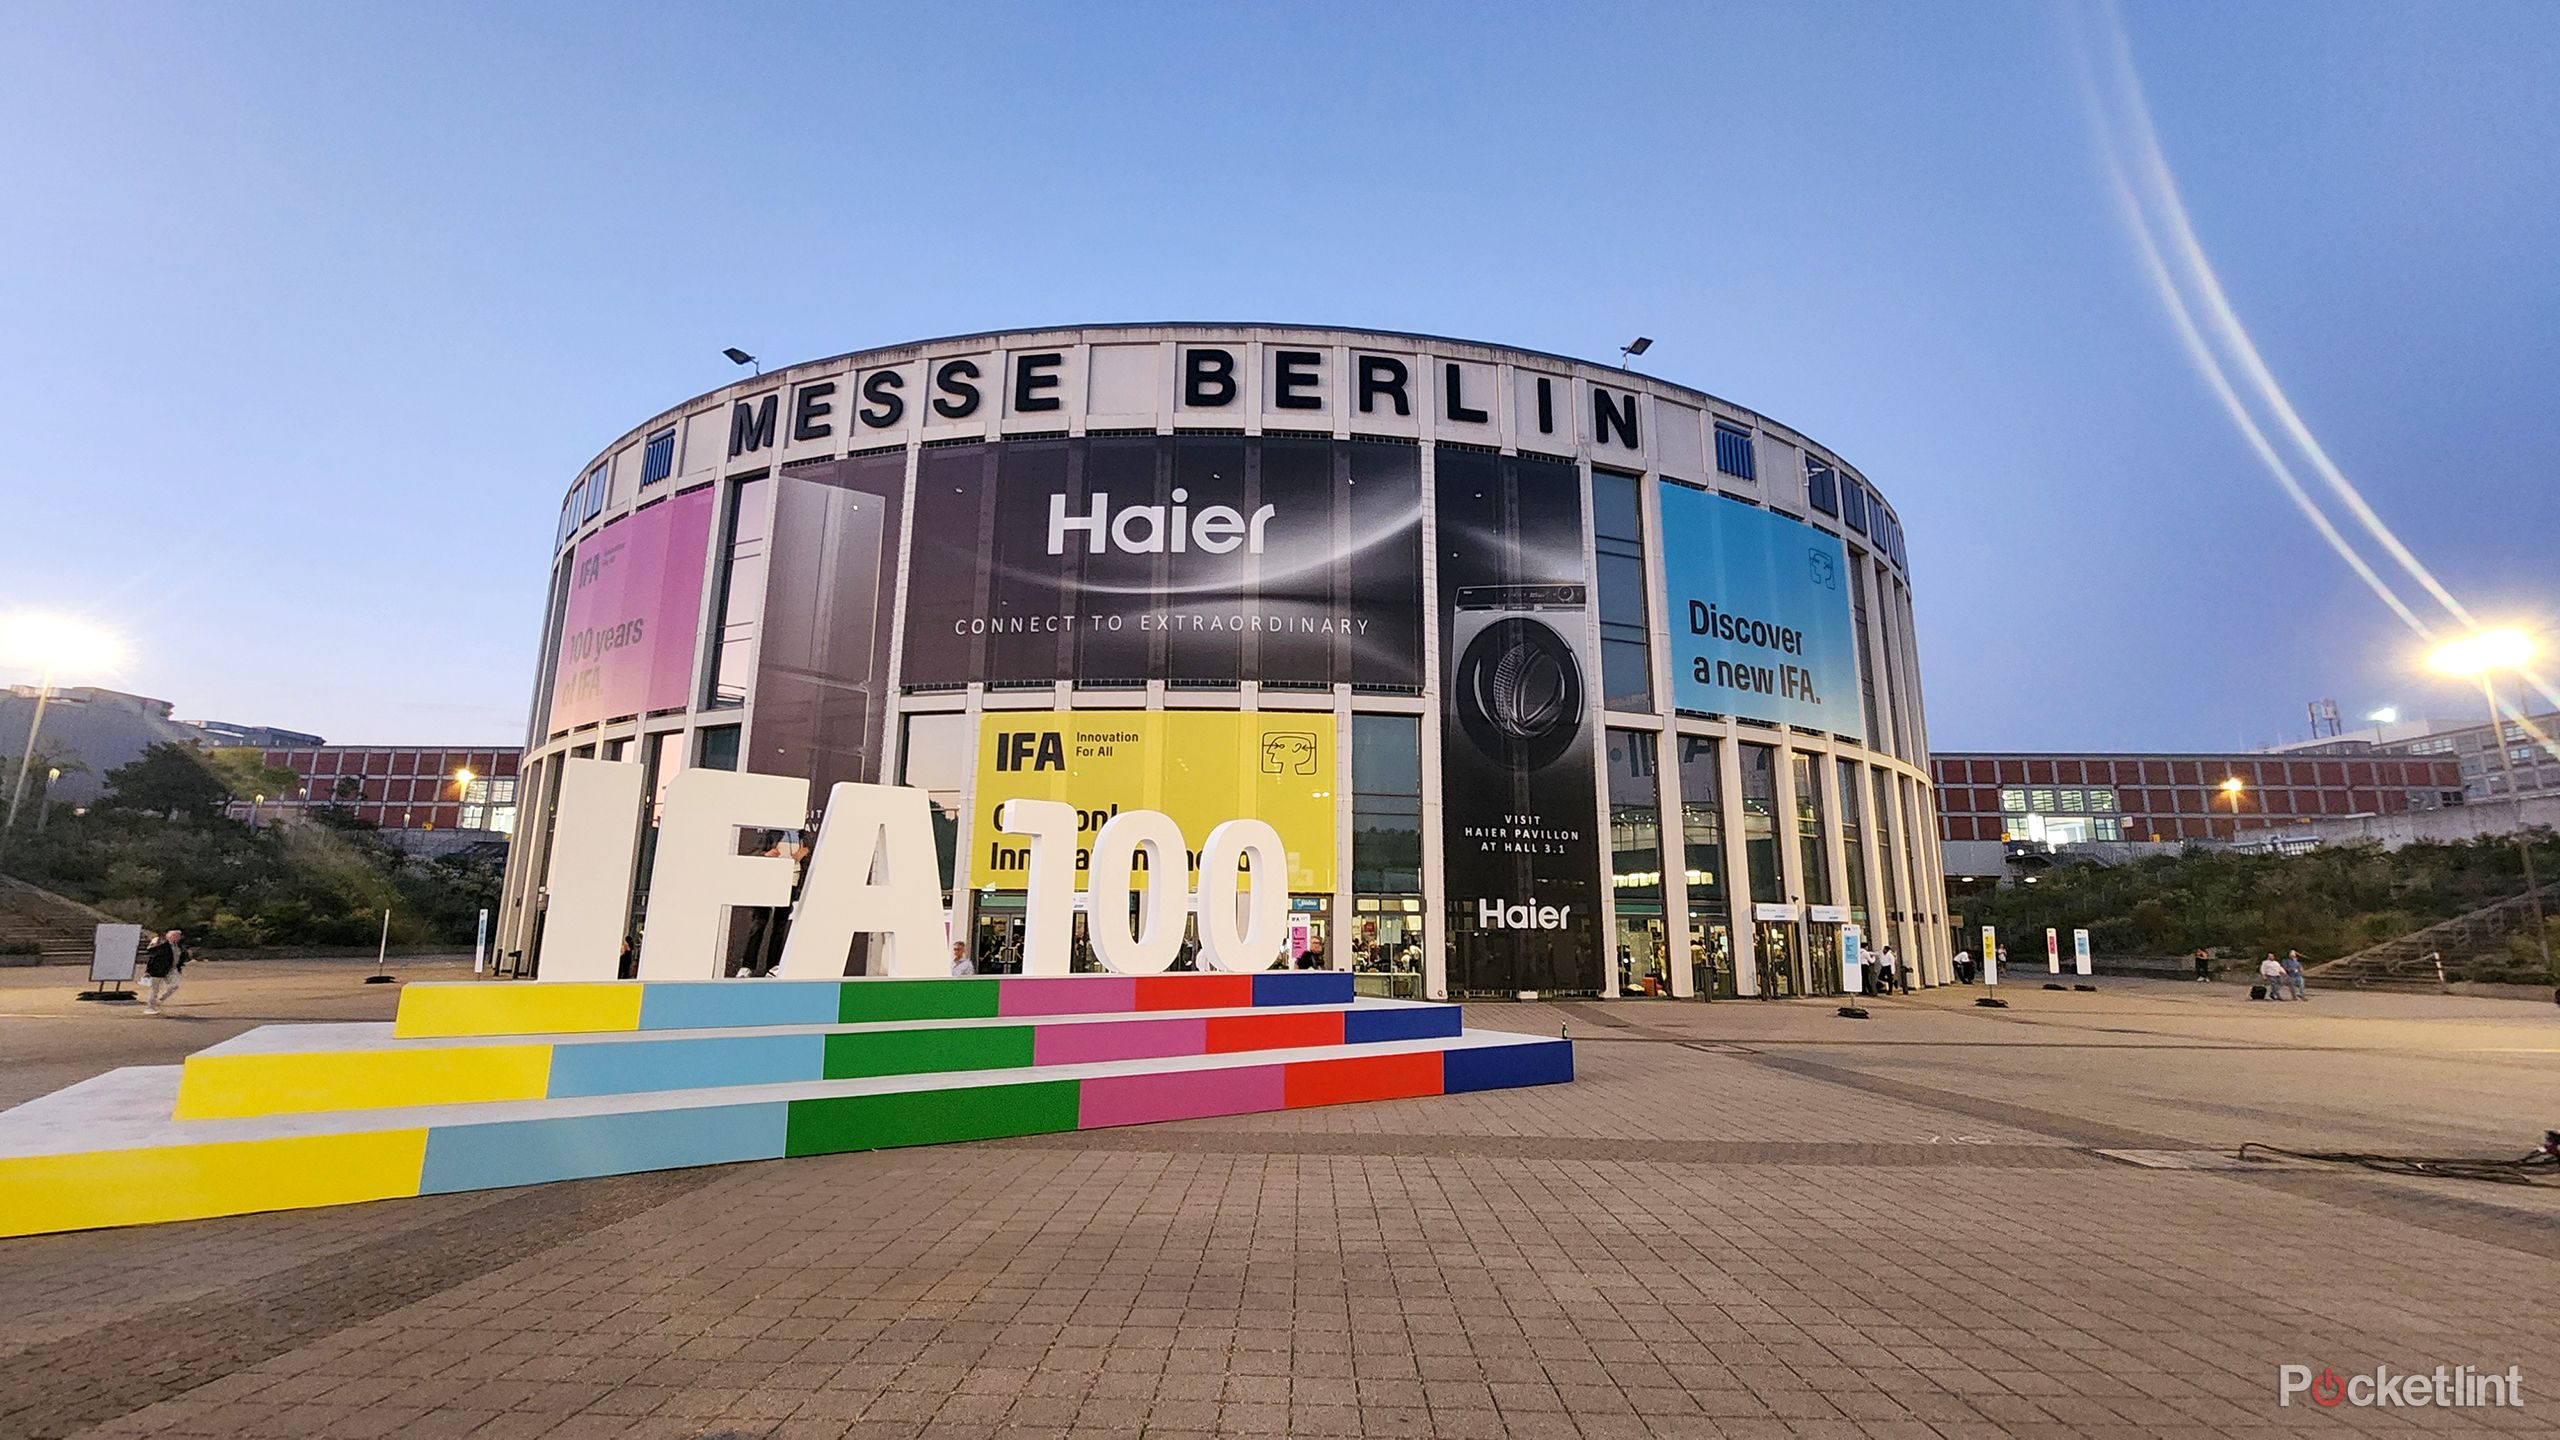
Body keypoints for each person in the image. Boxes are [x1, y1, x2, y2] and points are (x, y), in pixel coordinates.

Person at [141, 928, 189, 1013]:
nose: (178, 938)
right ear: (170, 937)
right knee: (154, 989)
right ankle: (150, 1008)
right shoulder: (162, 946)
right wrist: (148, 971)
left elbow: (181, 956)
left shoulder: (179, 946)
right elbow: (152, 957)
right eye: (176, 936)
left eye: (179, 936)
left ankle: (160, 999)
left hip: (171, 969)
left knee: (174, 985)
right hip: (157, 970)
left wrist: (179, 966)